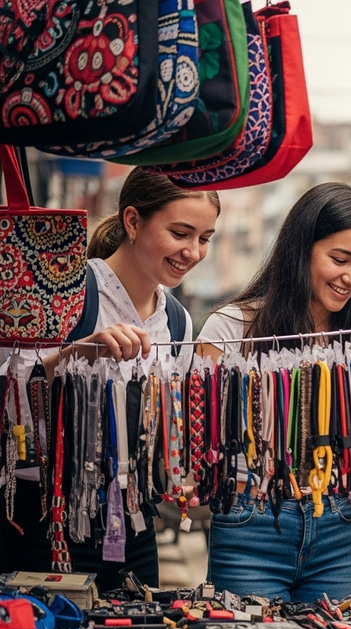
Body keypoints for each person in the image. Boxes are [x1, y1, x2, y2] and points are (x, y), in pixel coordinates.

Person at [0, 167, 220, 592]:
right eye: (181, 233)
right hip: (47, 518)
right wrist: (73, 354)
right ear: (133, 221)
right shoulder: (65, 294)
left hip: (135, 525)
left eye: (205, 238)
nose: (193, 251)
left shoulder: (176, 321)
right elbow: (9, 399)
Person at [196, 182, 351, 604]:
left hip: (339, 529)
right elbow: (204, 441)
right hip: (250, 527)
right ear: (301, 249)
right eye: (340, 259)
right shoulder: (230, 328)